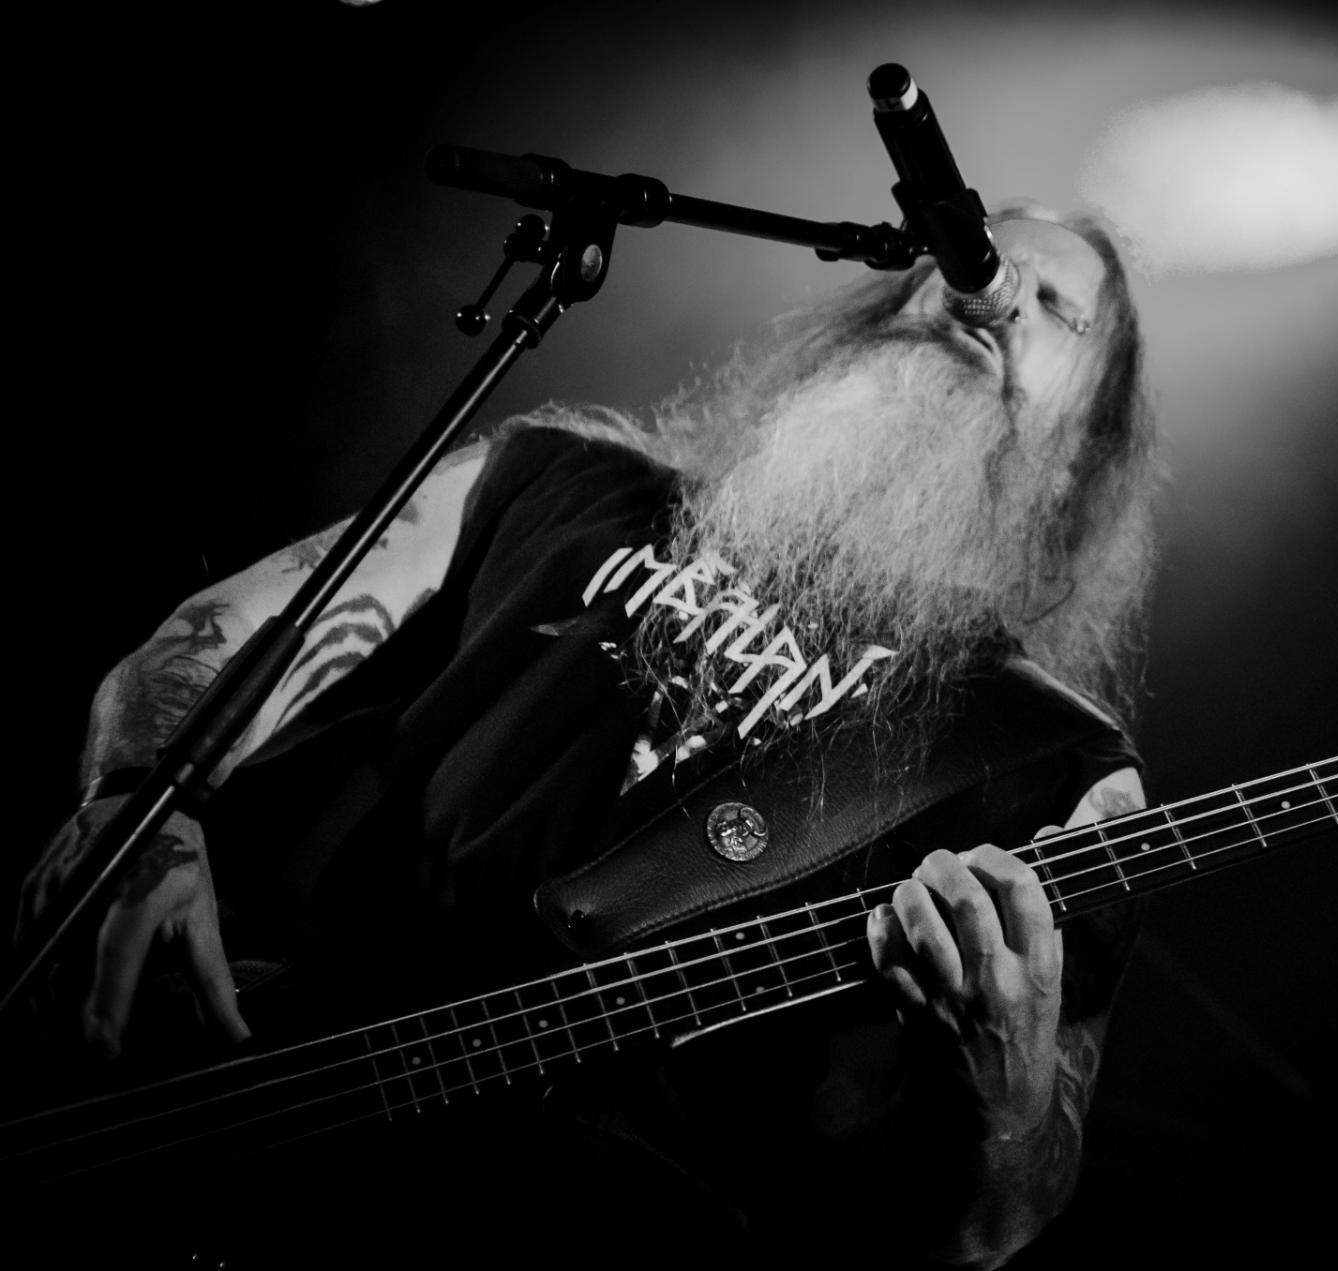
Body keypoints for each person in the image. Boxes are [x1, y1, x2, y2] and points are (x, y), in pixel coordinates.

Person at [13, 210, 1157, 1267]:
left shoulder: (1049, 761)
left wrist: (1008, 1099)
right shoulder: (563, 473)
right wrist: (138, 803)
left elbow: (998, 1223)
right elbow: (235, 626)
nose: (994, 292)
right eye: (974, 255)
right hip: (234, 1058)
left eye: (1057, 305)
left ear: (1084, 450)